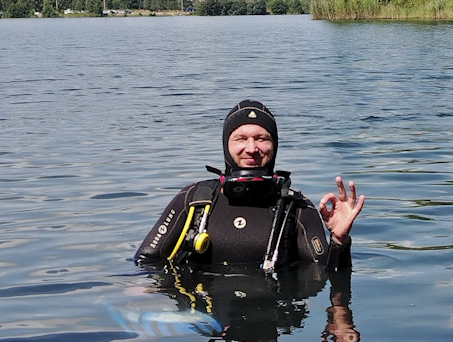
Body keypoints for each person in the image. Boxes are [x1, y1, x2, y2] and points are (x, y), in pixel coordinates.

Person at [134, 99, 364, 272]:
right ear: (226, 145)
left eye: (262, 138)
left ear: (274, 146)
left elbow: (327, 276)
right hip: (208, 321)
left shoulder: (296, 208)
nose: (252, 148)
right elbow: (145, 263)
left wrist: (339, 241)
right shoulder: (196, 199)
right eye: (241, 139)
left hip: (272, 322)